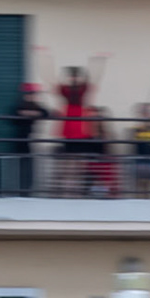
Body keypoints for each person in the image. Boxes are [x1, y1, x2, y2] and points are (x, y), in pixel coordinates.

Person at [53, 56, 109, 196]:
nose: (74, 80)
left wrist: (97, 63)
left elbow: (92, 81)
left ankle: (74, 191)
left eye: (76, 77)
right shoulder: (67, 92)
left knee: (79, 165)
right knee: (70, 166)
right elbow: (58, 85)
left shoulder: (81, 92)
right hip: (71, 129)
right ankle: (69, 191)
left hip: (79, 129)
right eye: (72, 77)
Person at [8, 83, 53, 196]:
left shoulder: (36, 106)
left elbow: (46, 113)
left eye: (33, 94)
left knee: (29, 168)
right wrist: (29, 114)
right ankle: (18, 191)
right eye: (30, 94)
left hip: (30, 141)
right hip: (18, 140)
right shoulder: (18, 106)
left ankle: (27, 191)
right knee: (18, 167)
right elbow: (12, 115)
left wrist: (31, 113)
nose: (32, 96)